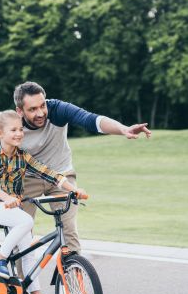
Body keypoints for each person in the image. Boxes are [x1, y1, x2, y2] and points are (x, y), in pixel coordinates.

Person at [13, 81, 152, 255]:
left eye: (42, 106)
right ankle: (17, 281)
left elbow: (91, 120)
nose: (40, 113)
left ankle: (73, 280)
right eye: (32, 109)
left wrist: (123, 129)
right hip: (27, 179)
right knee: (21, 237)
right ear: (20, 111)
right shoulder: (12, 125)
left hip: (62, 177)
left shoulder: (57, 110)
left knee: (69, 233)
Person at [0, 109, 86, 294]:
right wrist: (5, 197)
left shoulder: (23, 156)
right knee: (26, 222)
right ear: (0, 132)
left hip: (13, 208)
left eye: (20, 129)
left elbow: (50, 174)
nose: (19, 133)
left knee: (29, 251)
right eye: (13, 130)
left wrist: (74, 189)